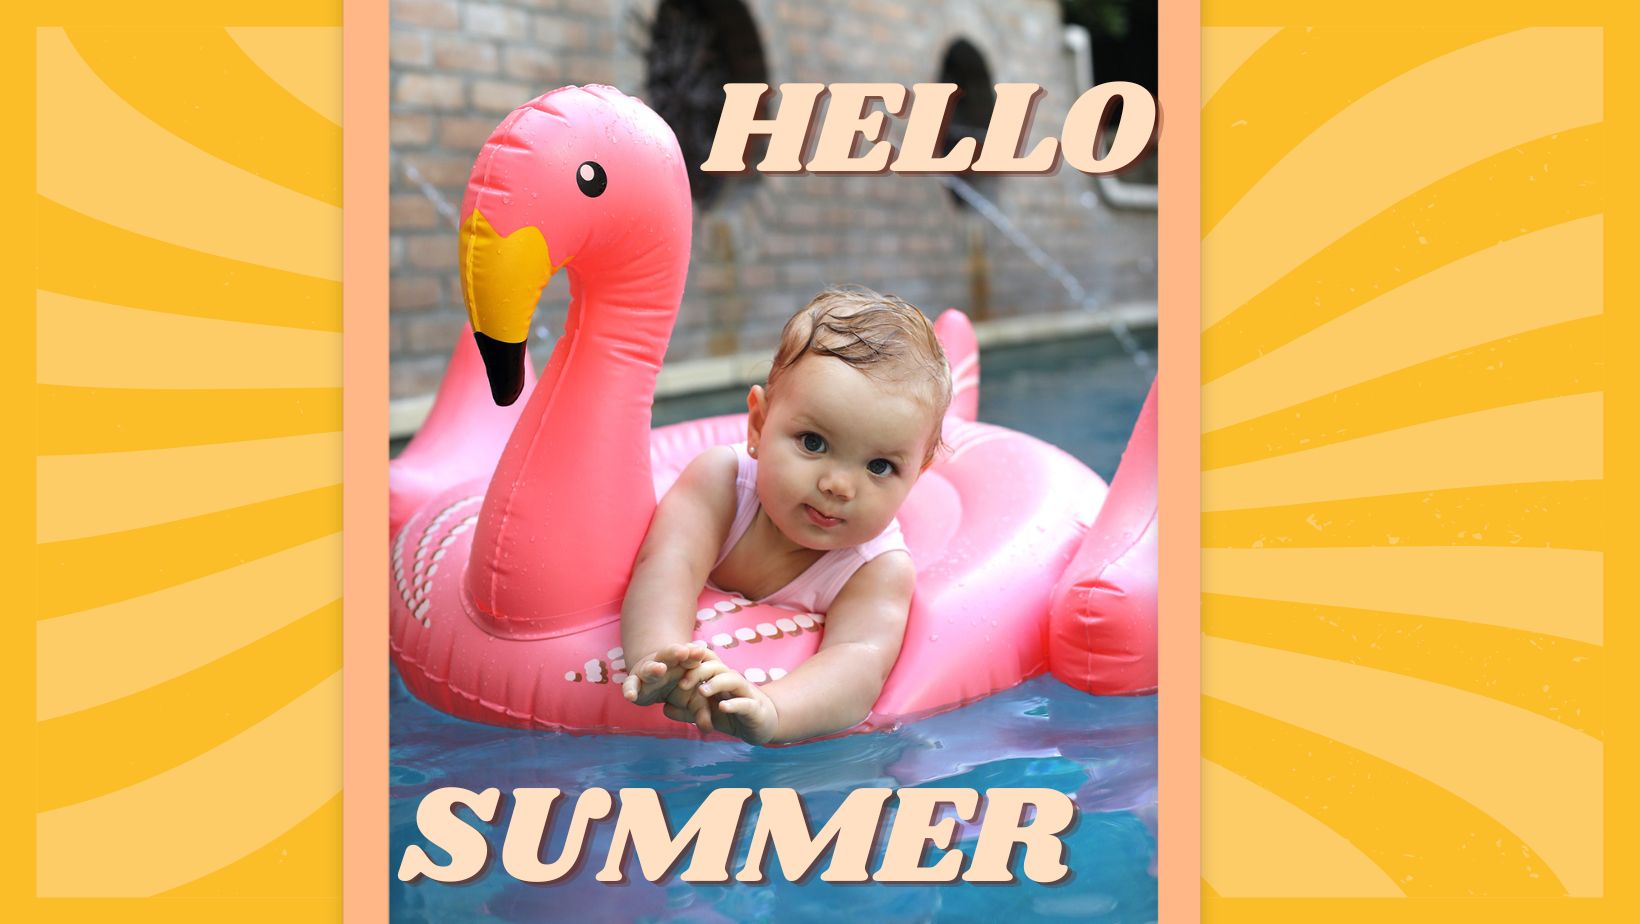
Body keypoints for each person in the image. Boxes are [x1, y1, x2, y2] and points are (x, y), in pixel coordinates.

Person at [619, 286, 952, 744]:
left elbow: (859, 661)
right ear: (758, 426)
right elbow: (667, 565)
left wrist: (773, 709)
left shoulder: (876, 567)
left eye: (880, 466)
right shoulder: (723, 482)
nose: (839, 484)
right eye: (813, 442)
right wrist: (657, 655)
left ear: (916, 477)